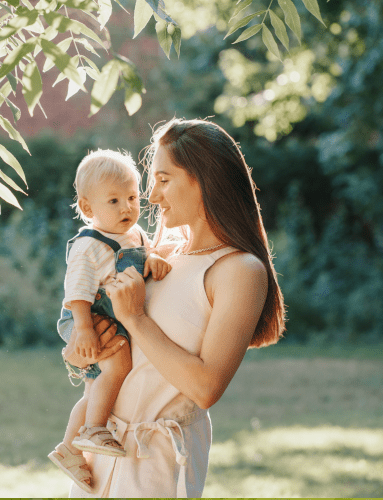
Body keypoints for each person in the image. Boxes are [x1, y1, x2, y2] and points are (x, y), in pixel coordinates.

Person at [61, 118, 286, 497]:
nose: (150, 196)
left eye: (164, 180)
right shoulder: (157, 256)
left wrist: (135, 317)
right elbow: (120, 354)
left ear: (204, 180)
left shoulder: (238, 270)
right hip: (98, 458)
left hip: (154, 468)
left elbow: (205, 387)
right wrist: (80, 352)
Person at [48, 149, 172, 493]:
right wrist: (85, 330)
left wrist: (156, 260)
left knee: (95, 390)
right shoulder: (89, 244)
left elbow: (145, 260)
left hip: (111, 319)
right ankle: (94, 430)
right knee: (117, 369)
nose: (127, 208)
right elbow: (77, 292)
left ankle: (70, 449)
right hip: (88, 319)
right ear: (88, 209)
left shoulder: (138, 237)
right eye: (114, 201)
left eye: (132, 197)